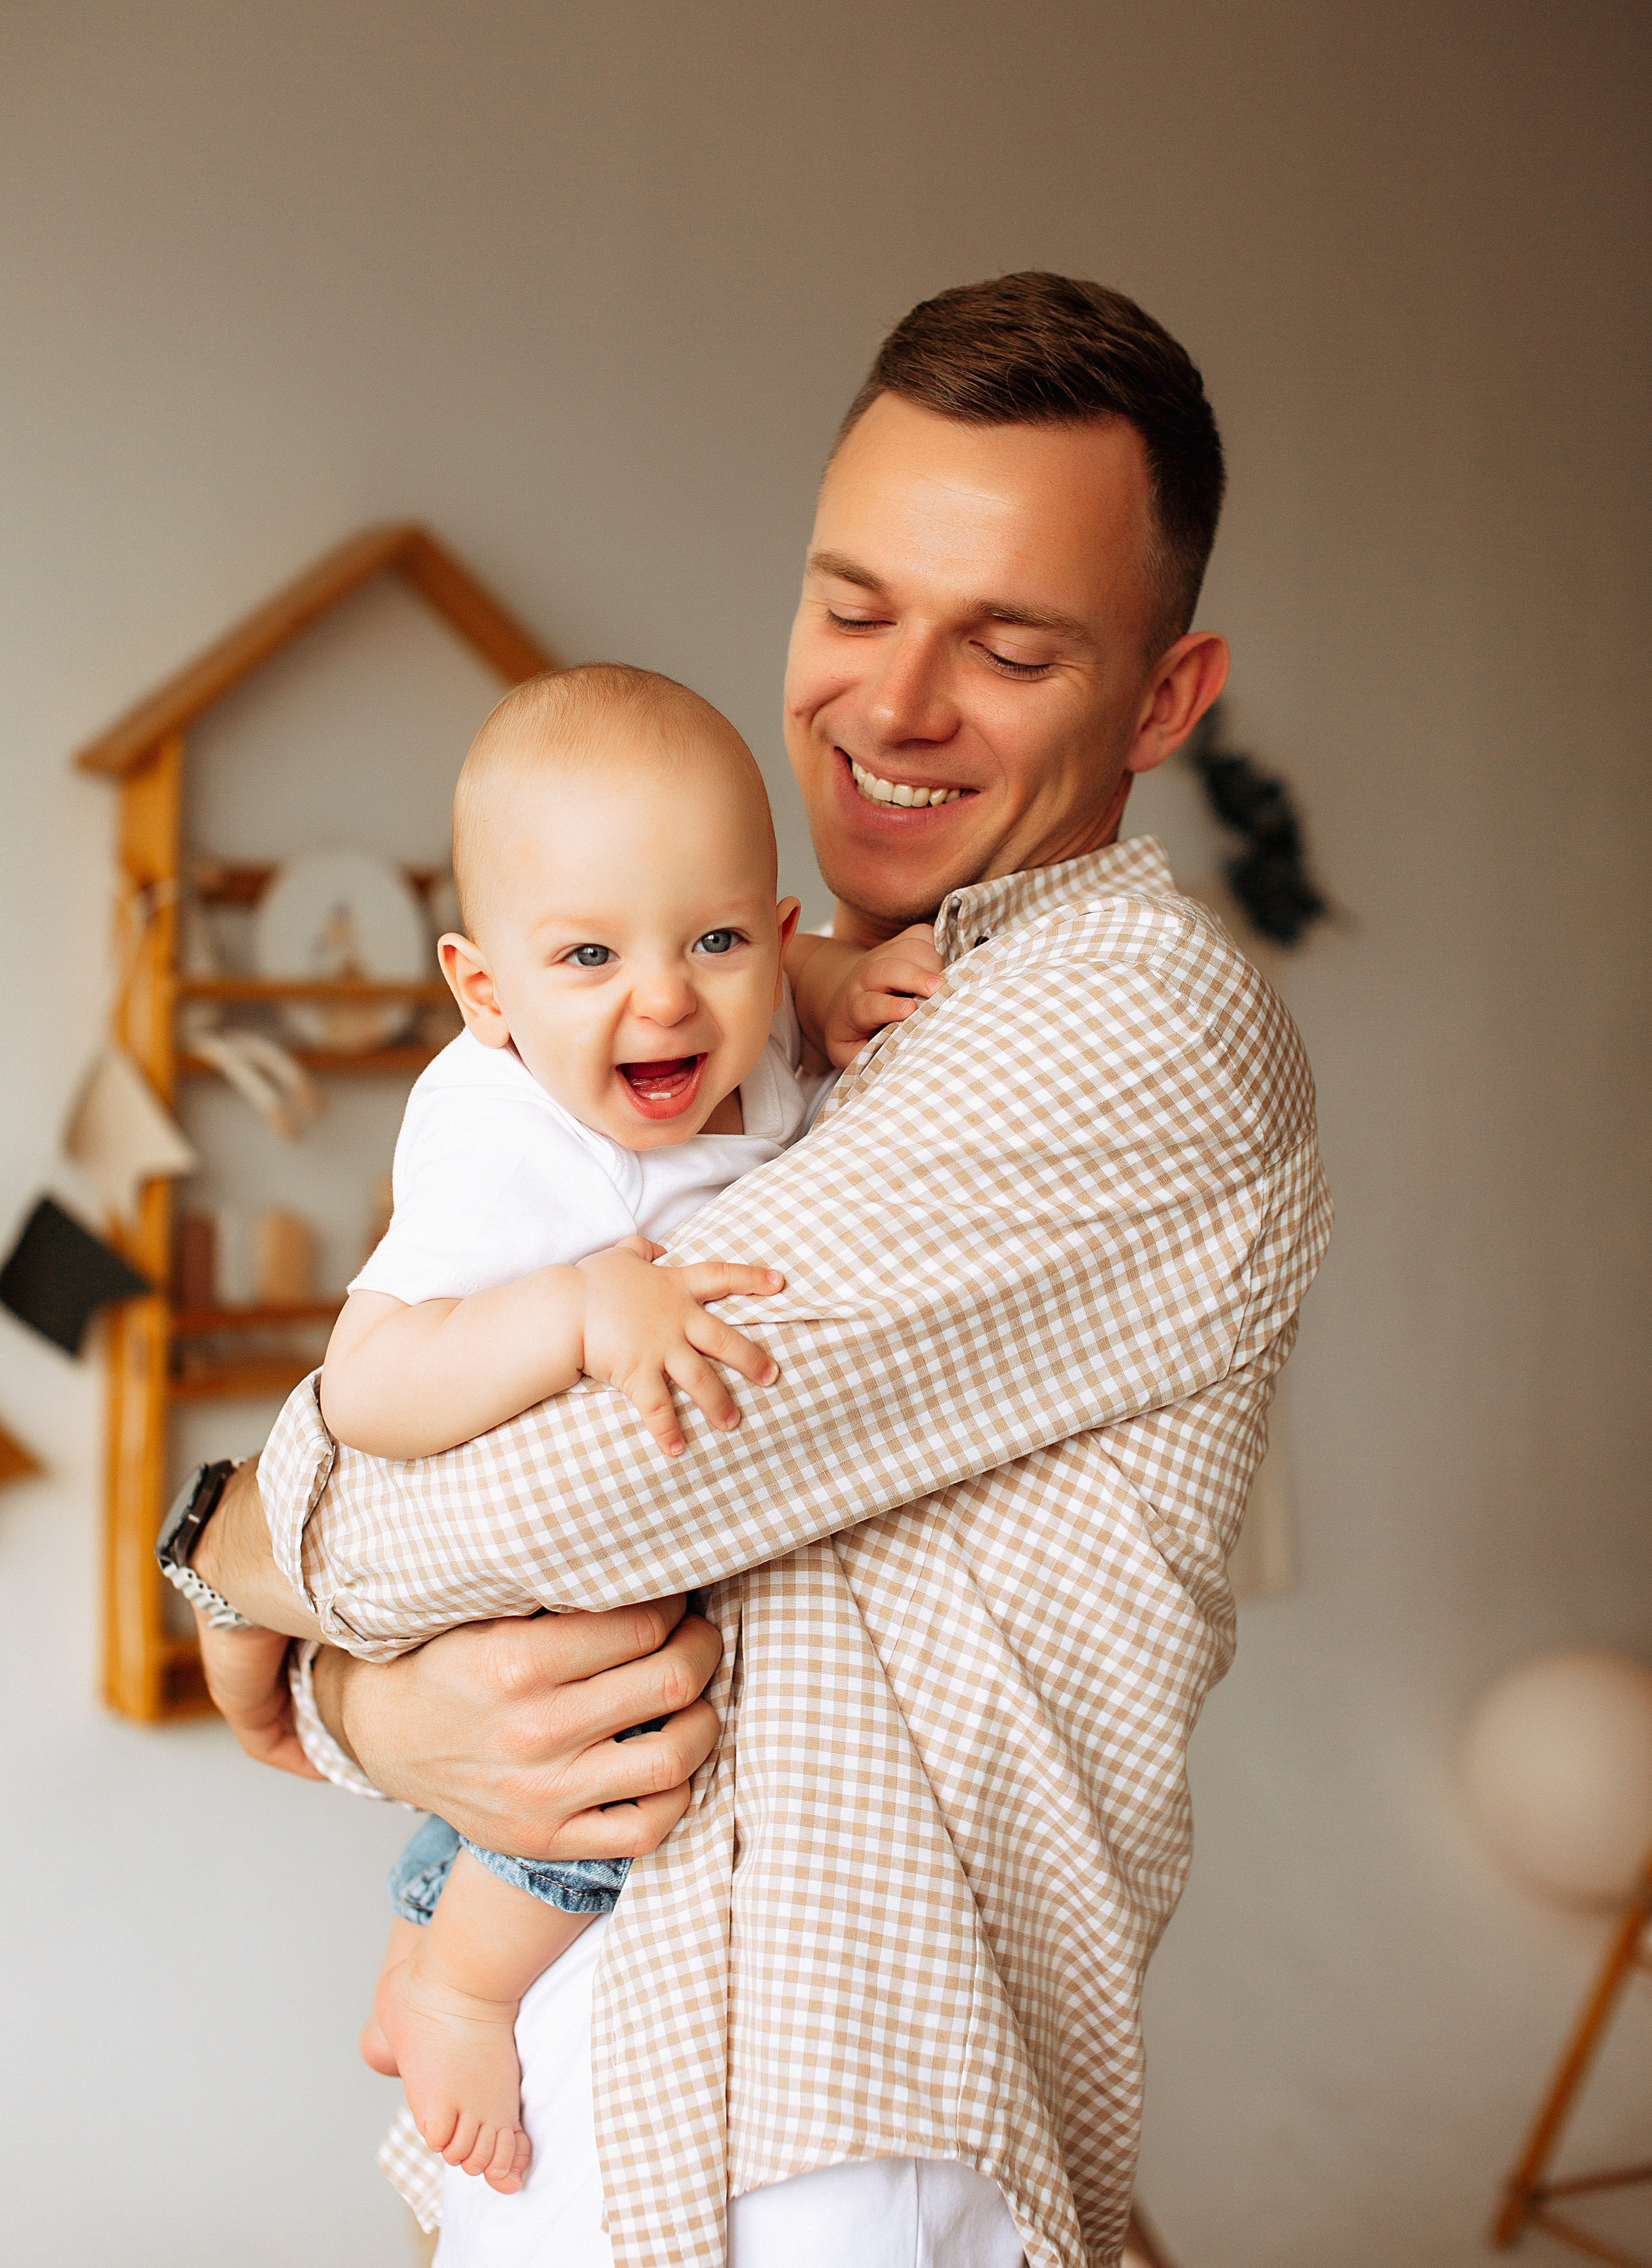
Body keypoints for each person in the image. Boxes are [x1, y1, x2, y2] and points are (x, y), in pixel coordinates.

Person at [183, 272, 1333, 2268]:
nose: (890, 706)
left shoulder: (1132, 1019)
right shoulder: (773, 1019)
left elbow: (608, 1463)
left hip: (838, 2136)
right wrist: (384, 1702)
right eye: (857, 606)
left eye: (1009, 644)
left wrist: (253, 1559)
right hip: (612, 2091)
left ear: (1163, 697)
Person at [320, 659, 943, 2191]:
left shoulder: (753, 1029)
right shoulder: (508, 1136)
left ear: (774, 931)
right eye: (587, 954)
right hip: (534, 1574)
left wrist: (832, 994)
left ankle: (423, 1942)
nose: (663, 996)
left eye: (717, 938)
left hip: (663, 1545)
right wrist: (584, 1310)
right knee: (627, 1733)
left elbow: (762, 996)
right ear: (487, 995)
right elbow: (363, 1387)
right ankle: (461, 1983)